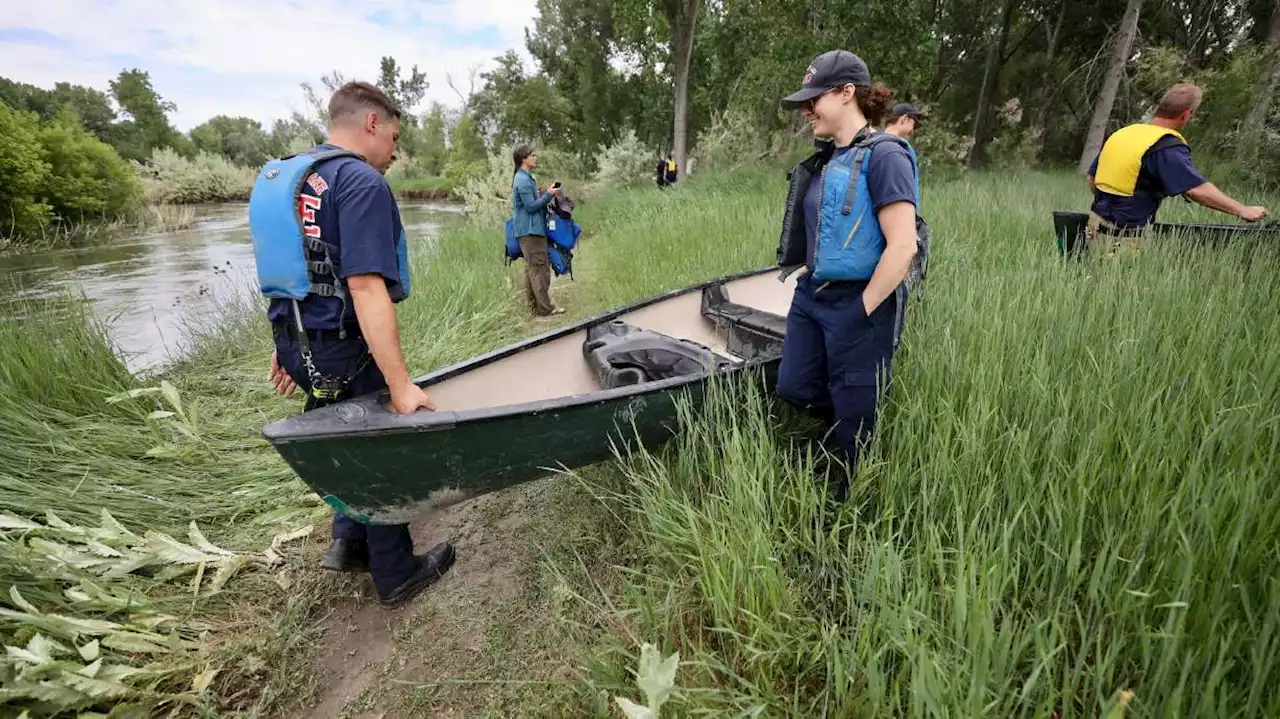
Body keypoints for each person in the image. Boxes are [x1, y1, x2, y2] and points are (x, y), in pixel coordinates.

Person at [254, 81, 456, 608]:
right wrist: (400, 385)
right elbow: (365, 287)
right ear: (371, 123)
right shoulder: (360, 182)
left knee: (337, 438)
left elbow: (293, 271)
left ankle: (347, 541)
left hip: (300, 343)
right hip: (342, 346)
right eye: (394, 136)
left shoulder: (293, 178)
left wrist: (288, 346)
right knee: (379, 444)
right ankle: (397, 573)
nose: (396, 149)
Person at [774, 50, 921, 501]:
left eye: (814, 98)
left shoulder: (886, 156)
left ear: (845, 93)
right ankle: (835, 434)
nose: (806, 110)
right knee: (793, 384)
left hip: (860, 301)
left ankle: (853, 494)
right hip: (813, 296)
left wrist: (863, 308)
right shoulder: (828, 159)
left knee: (857, 405)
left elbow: (903, 245)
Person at [1085, 83, 1268, 254]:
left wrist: (1109, 203)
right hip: (1126, 235)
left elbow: (1092, 179)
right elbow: (1196, 190)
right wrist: (1242, 210)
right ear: (1187, 114)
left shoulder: (1123, 134)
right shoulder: (1165, 145)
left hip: (1094, 226)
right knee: (1122, 283)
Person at [511, 144, 565, 316]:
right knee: (540, 269)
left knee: (532, 269)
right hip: (530, 231)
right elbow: (531, 207)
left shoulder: (524, 178)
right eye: (532, 155)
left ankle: (535, 307)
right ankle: (545, 309)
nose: (536, 157)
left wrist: (542, 194)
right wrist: (549, 195)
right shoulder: (523, 180)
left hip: (528, 230)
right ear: (523, 159)